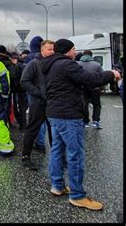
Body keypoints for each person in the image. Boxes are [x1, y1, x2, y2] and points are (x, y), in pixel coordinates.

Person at [40, 38, 120, 210]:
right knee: (75, 154)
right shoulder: (66, 65)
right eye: (73, 49)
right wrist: (111, 74)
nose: (75, 52)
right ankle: (77, 195)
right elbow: (89, 79)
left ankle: (57, 185)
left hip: (54, 113)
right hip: (68, 115)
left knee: (57, 150)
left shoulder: (48, 65)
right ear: (67, 51)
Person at [20, 40, 55, 171]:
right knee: (32, 130)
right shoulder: (34, 63)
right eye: (49, 49)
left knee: (53, 131)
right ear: (42, 50)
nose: (52, 52)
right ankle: (25, 157)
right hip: (38, 103)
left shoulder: (54, 64)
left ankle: (57, 157)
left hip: (52, 103)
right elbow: (24, 81)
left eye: (53, 49)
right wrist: (39, 93)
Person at [24, 35, 48, 151]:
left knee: (35, 119)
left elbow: (25, 77)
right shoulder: (47, 57)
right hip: (46, 92)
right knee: (46, 118)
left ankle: (39, 143)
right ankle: (44, 143)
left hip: (33, 93)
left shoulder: (30, 58)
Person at [77, 49, 104, 128]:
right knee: (97, 104)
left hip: (82, 87)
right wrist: (102, 87)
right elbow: (101, 77)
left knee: (84, 105)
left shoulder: (77, 63)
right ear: (91, 55)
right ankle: (96, 121)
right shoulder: (97, 65)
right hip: (95, 87)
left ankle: (85, 122)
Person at [9, 51, 28, 130]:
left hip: (15, 89)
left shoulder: (16, 65)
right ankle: (23, 124)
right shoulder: (23, 65)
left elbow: (13, 75)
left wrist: (15, 65)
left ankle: (21, 123)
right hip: (21, 89)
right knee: (22, 107)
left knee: (17, 107)